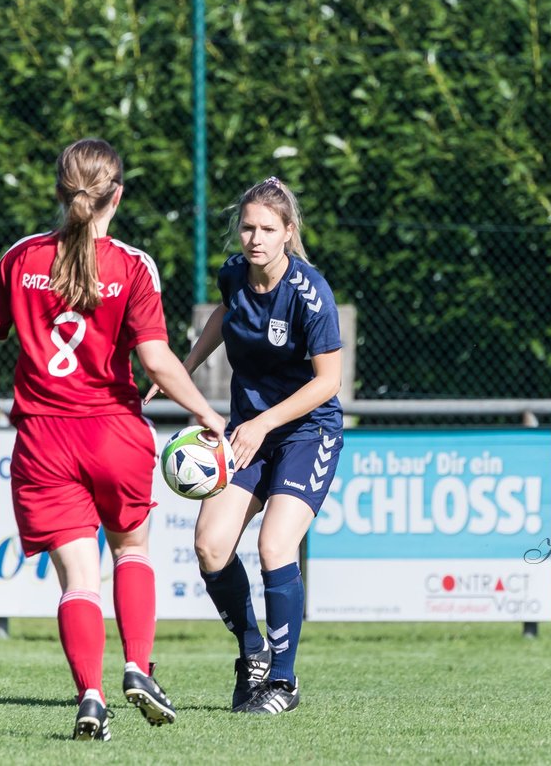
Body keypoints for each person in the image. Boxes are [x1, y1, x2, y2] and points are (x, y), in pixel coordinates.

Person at [0, 138, 225, 742]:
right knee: (131, 551)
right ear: (117, 194)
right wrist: (205, 411)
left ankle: (91, 696)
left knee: (79, 582)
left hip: (43, 441)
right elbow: (156, 361)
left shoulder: (21, 258)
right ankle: (137, 665)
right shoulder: (131, 264)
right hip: (114, 434)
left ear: (61, 190)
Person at [145, 176, 343, 715]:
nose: (255, 238)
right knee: (210, 545)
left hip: (307, 431)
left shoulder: (310, 292)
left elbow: (328, 381)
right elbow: (222, 317)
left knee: (275, 547)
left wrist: (262, 424)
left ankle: (283, 683)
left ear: (288, 232)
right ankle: (252, 651)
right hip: (246, 432)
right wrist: (181, 369)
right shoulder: (234, 274)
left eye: (267, 229)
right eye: (248, 227)